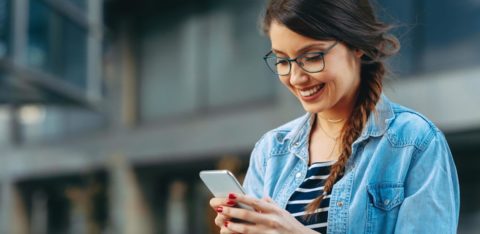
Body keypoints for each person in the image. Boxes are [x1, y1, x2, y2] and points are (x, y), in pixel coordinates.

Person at [209, 0, 460, 233]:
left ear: (357, 46)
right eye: (283, 61)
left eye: (312, 56)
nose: (296, 78)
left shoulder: (414, 141)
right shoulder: (271, 150)